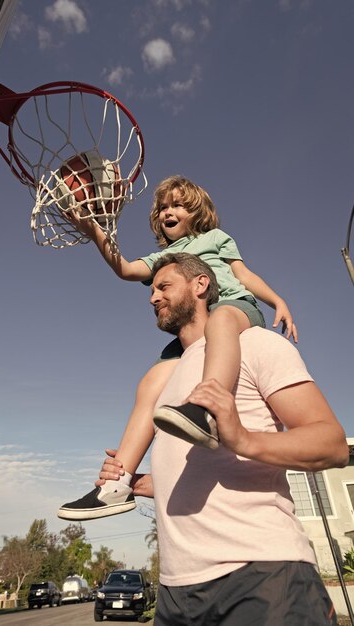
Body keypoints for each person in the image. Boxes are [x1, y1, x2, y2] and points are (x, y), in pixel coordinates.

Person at [95, 252, 349, 626]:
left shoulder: (256, 344)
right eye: (151, 291)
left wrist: (243, 439)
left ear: (201, 285)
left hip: (262, 576)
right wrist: (146, 483)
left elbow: (332, 444)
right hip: (175, 592)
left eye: (164, 286)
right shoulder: (166, 379)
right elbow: (203, 466)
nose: (152, 298)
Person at [58, 175, 297, 520]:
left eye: (178, 205)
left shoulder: (216, 239)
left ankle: (206, 409)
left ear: (196, 211)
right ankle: (116, 484)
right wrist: (93, 228)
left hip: (233, 307)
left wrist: (278, 301)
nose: (169, 211)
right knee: (152, 382)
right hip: (194, 327)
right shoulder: (163, 258)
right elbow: (124, 268)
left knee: (222, 320)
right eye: (164, 207)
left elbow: (243, 275)